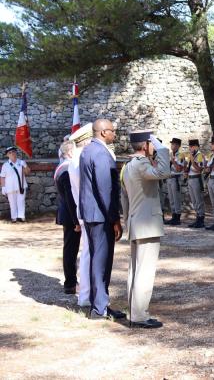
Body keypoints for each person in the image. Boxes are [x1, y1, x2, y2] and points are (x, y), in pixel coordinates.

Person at [121, 130, 170, 328]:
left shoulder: (127, 166)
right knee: (145, 271)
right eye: (152, 144)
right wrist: (163, 149)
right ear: (145, 145)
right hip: (147, 224)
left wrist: (127, 221)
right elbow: (164, 172)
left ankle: (135, 312)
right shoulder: (141, 163)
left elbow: (124, 198)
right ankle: (139, 316)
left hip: (136, 222)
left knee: (136, 269)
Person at [79, 119, 125, 320]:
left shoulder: (88, 150)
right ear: (104, 132)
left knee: (98, 259)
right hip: (101, 215)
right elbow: (105, 189)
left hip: (92, 214)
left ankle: (101, 302)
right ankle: (99, 308)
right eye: (113, 131)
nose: (115, 134)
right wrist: (114, 218)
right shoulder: (100, 153)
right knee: (101, 260)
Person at [68, 123, 93, 307]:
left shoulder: (75, 160)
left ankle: (86, 295)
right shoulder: (80, 160)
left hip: (83, 212)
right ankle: (86, 295)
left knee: (87, 254)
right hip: (89, 212)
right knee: (89, 255)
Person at [54, 140, 82, 294]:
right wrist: (76, 221)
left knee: (70, 249)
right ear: (70, 152)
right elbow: (71, 198)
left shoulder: (62, 167)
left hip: (67, 214)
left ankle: (71, 281)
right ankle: (70, 283)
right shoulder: (66, 169)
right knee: (71, 250)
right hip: (70, 216)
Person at [1, 146, 30, 223]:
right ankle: (14, 217)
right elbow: (2, 177)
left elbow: (27, 172)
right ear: (7, 155)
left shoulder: (21, 162)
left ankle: (21, 216)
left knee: (21, 201)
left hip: (21, 186)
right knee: (12, 202)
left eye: (13, 152)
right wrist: (3, 187)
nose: (12, 154)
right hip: (10, 187)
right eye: (10, 153)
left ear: (16, 153)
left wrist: (25, 165)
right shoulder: (5, 165)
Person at [185, 139, 206, 228]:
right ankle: (197, 218)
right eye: (190, 147)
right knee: (194, 200)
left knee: (198, 199)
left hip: (197, 179)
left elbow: (199, 169)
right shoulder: (192, 156)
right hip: (190, 179)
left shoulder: (200, 155)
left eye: (192, 146)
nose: (190, 148)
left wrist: (192, 160)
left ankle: (201, 219)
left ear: (196, 147)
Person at [165, 138, 184, 226]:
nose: (173, 146)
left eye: (175, 145)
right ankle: (173, 216)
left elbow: (179, 168)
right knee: (171, 199)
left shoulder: (180, 155)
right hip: (169, 177)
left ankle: (177, 218)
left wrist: (173, 161)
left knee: (176, 199)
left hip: (176, 178)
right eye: (172, 144)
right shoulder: (170, 154)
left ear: (179, 146)